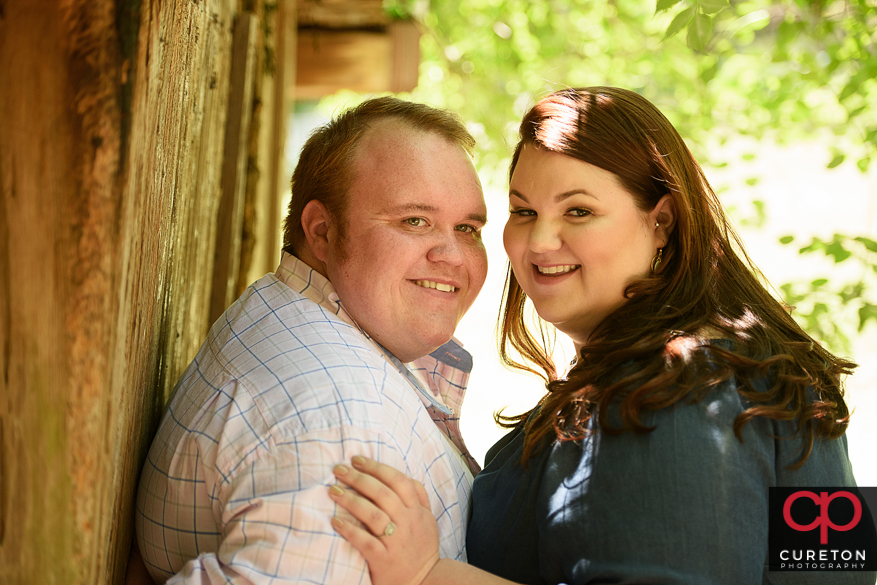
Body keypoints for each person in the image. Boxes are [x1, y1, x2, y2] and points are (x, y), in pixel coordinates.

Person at [327, 87, 875, 585]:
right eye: (523, 211)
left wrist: (427, 575)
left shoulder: (674, 390)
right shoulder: (754, 366)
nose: (538, 241)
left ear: (661, 222)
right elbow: (839, 570)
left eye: (579, 211)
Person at [133, 96, 489, 583]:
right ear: (321, 232)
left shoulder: (288, 311)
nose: (453, 256)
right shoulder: (341, 428)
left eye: (468, 228)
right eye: (415, 221)